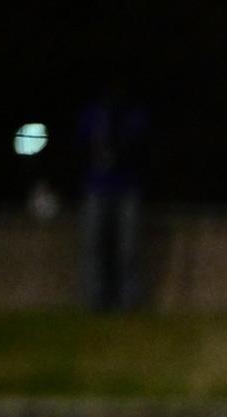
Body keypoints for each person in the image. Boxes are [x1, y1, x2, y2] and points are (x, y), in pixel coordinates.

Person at [77, 82, 148, 311]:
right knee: (94, 245)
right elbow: (81, 147)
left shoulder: (134, 116)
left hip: (126, 188)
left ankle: (127, 301)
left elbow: (140, 148)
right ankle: (95, 300)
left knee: (127, 247)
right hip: (96, 187)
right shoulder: (93, 115)